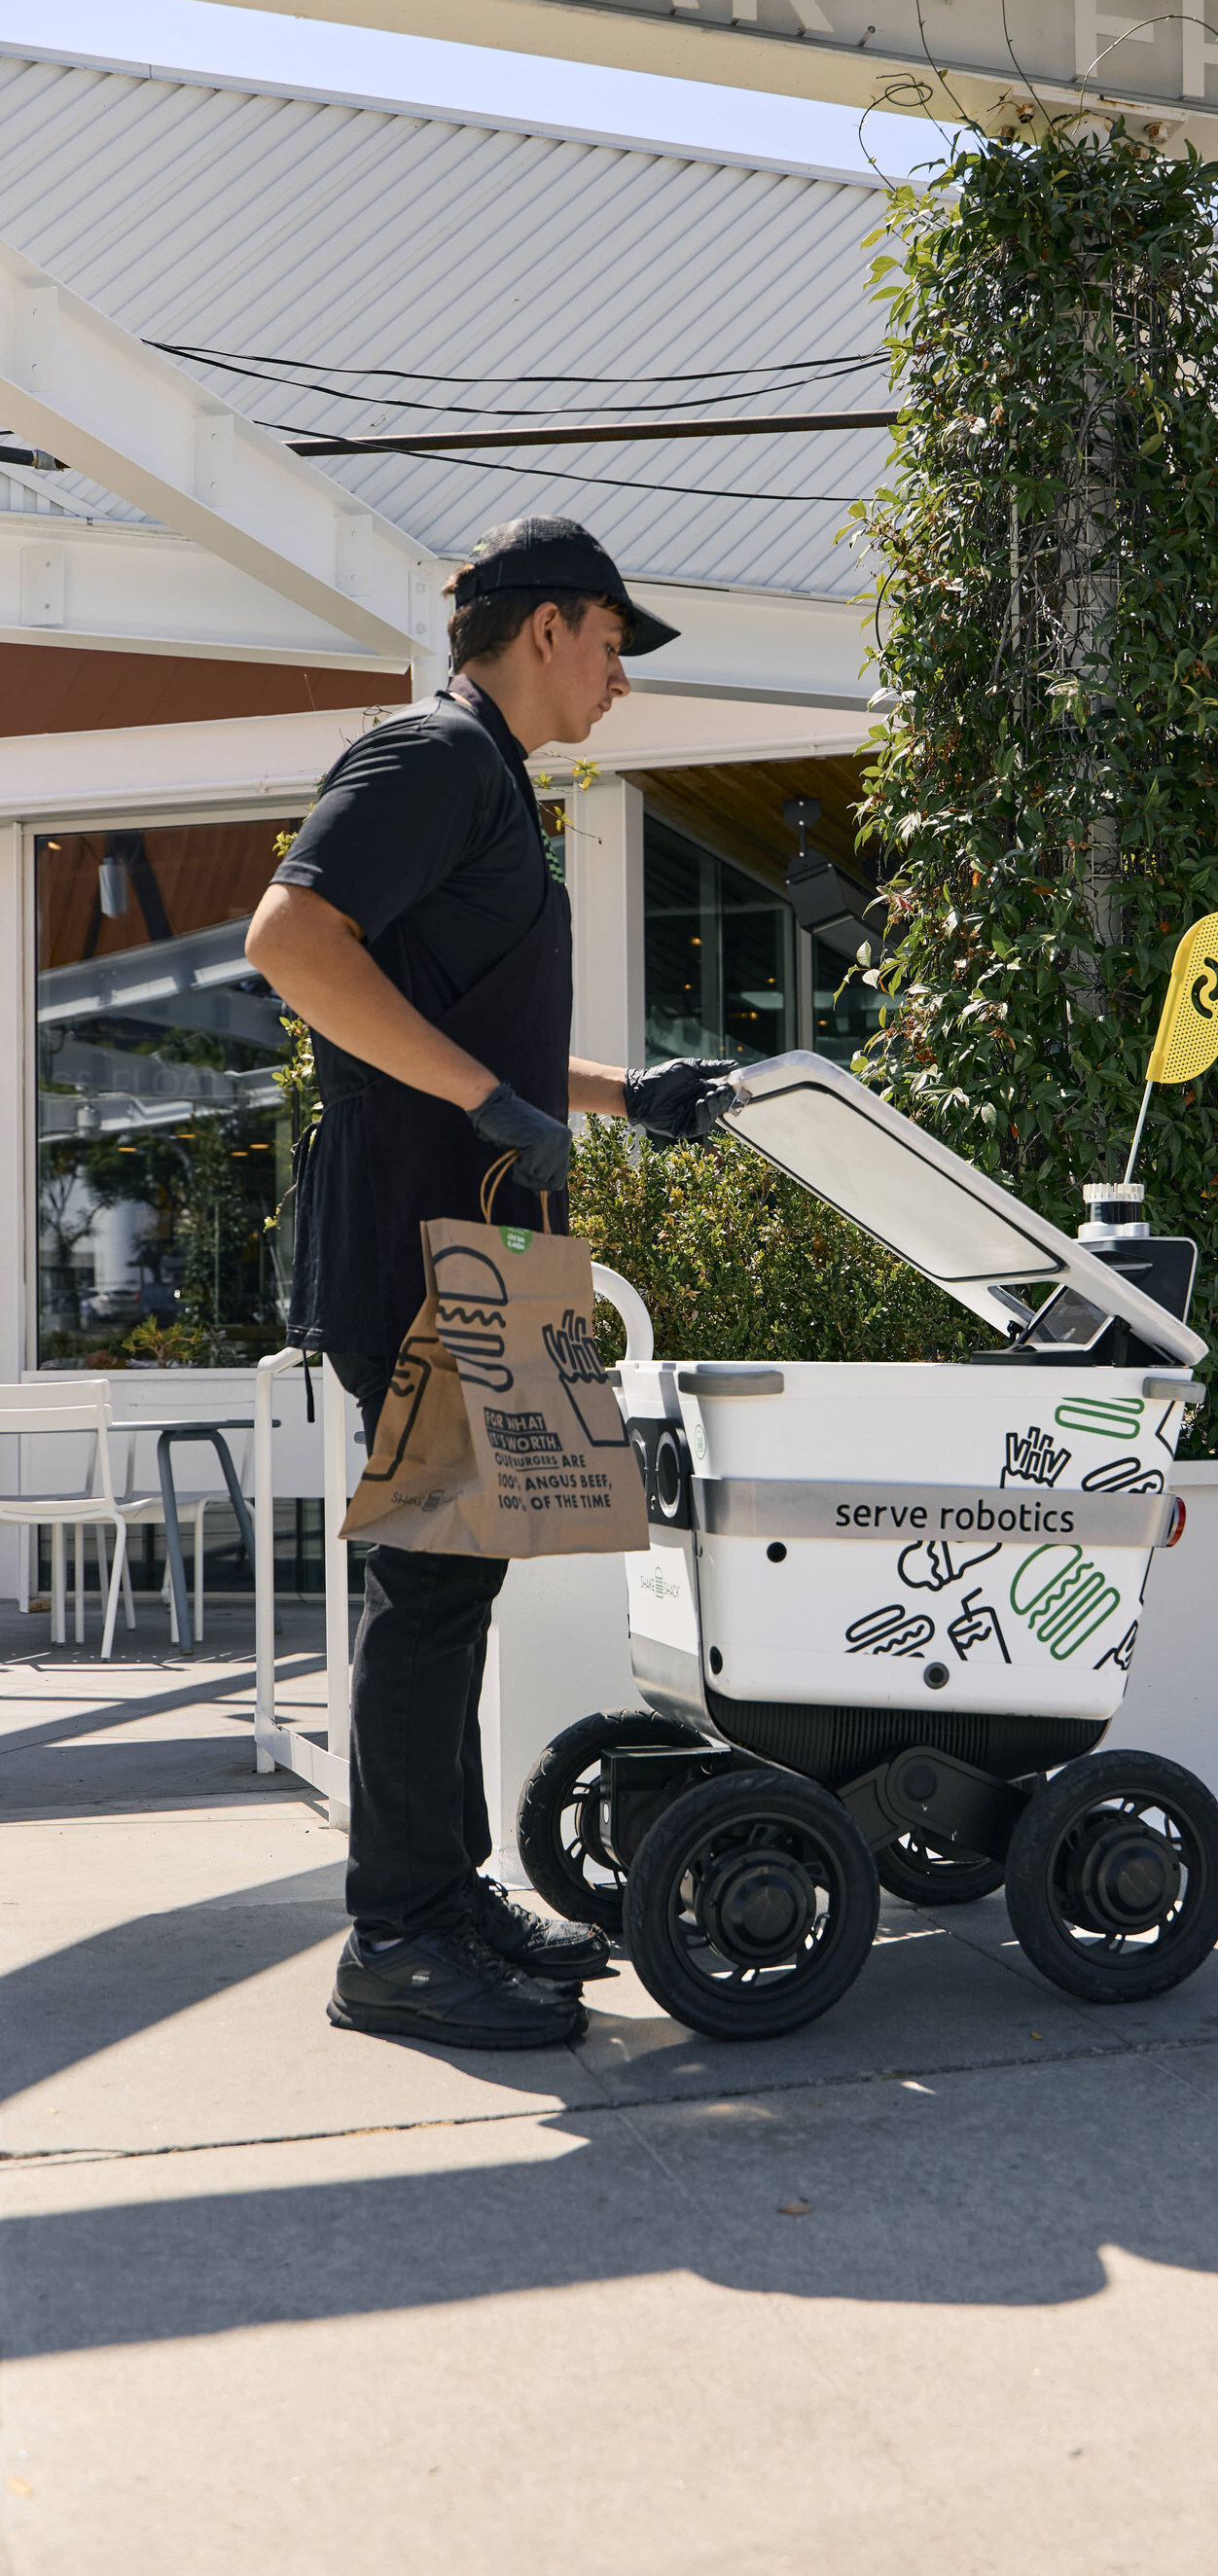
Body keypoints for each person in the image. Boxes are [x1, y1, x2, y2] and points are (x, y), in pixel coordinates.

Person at [245, 518, 736, 2052]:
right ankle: (393, 1937)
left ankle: (441, 1901)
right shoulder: (428, 757)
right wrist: (481, 1105)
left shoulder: (489, 787)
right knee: (433, 1584)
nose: (617, 680)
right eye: (610, 644)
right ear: (544, 629)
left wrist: (608, 1095)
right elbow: (290, 942)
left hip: (494, 1239)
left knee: (464, 1582)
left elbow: (478, 1039)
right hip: (426, 1239)